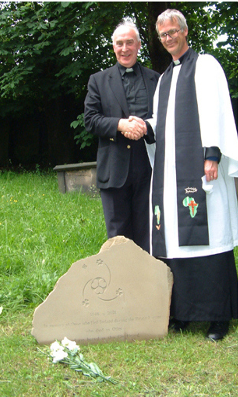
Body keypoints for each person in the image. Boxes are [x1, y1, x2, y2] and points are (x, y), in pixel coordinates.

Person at [145, 9, 238, 340]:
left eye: (173, 32)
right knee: (176, 242)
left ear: (185, 31)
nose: (169, 39)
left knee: (210, 236)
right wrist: (143, 127)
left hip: (201, 172)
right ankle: (182, 313)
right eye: (163, 35)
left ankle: (218, 317)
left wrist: (212, 154)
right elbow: (162, 123)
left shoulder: (207, 65)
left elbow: (217, 110)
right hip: (172, 176)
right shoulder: (164, 79)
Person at [84, 18, 160, 252]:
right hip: (114, 169)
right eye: (119, 43)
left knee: (149, 234)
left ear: (139, 45)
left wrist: (146, 127)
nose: (124, 48)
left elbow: (165, 119)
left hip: (149, 169)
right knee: (118, 239)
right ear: (113, 47)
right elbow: (90, 120)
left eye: (129, 42)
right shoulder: (98, 80)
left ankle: (148, 286)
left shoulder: (156, 79)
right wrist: (120, 125)